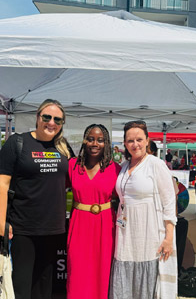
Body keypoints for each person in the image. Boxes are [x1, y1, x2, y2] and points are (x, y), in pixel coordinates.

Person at [0, 99, 73, 299]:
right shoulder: (17, 142)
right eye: (47, 117)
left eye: (57, 119)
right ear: (38, 118)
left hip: (53, 228)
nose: (51, 123)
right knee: (22, 285)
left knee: (44, 284)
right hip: (24, 227)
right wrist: (0, 222)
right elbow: (2, 184)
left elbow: (75, 178)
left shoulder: (63, 147)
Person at [110, 120, 177, 299]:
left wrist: (169, 238)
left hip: (149, 234)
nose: (135, 144)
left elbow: (169, 202)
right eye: (130, 140)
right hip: (125, 235)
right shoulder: (124, 167)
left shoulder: (155, 164)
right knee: (124, 274)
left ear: (147, 140)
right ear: (125, 143)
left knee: (146, 282)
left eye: (139, 139)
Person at [67, 124, 121, 299]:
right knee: (77, 269)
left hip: (105, 226)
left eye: (100, 140)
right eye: (90, 139)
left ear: (106, 143)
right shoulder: (72, 165)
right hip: (79, 224)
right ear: (84, 141)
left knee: (102, 270)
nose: (94, 143)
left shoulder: (115, 168)